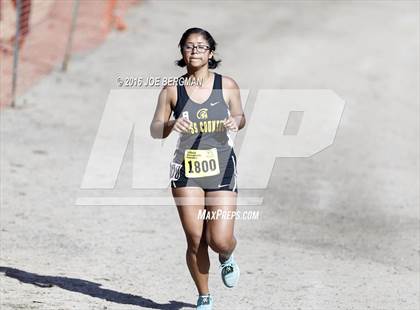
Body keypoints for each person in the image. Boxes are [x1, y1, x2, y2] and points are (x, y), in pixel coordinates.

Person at [150, 27, 246, 310]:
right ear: (182, 51)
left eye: (201, 47)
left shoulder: (227, 85)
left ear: (211, 53)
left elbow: (241, 116)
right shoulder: (171, 90)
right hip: (186, 171)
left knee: (219, 239)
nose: (195, 51)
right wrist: (170, 124)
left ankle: (227, 256)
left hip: (221, 168)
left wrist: (235, 121)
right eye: (189, 46)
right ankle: (204, 296)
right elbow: (155, 129)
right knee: (195, 239)